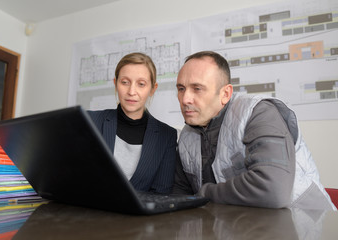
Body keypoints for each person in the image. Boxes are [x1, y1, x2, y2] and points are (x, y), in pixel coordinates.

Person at [173, 50, 336, 210]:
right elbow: (181, 198)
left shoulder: (258, 113)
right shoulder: (187, 136)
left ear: (225, 94)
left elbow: (273, 189)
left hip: (309, 226)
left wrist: (205, 194)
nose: (185, 99)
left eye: (197, 89)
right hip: (245, 229)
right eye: (181, 89)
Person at [88, 52, 177, 194]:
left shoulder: (166, 136)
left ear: (152, 89)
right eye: (125, 82)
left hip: (139, 216)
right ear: (115, 84)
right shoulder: (90, 121)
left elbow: (161, 194)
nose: (131, 91)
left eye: (141, 84)